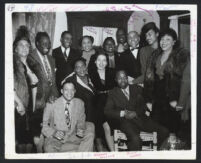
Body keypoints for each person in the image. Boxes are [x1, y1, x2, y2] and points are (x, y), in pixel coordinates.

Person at [104, 70, 169, 151]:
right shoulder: (112, 93)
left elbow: (144, 105)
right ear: (116, 80)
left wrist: (136, 113)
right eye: (119, 78)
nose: (122, 80)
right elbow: (107, 111)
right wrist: (123, 113)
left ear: (127, 78)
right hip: (125, 122)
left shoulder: (137, 88)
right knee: (136, 140)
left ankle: (154, 155)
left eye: (124, 77)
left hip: (142, 119)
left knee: (164, 132)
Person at [144, 28, 190, 135]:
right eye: (162, 39)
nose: (163, 42)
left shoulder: (181, 57)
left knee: (172, 132)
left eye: (168, 39)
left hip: (172, 100)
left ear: (174, 41)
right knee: (157, 132)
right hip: (156, 100)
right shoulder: (154, 55)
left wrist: (180, 103)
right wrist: (148, 100)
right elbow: (149, 80)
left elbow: (186, 81)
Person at [27, 32, 59, 152]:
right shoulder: (30, 58)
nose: (47, 45)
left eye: (49, 43)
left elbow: (52, 82)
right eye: (44, 43)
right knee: (37, 134)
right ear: (37, 43)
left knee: (48, 130)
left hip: (50, 101)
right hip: (37, 102)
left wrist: (55, 97)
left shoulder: (51, 59)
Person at [42, 81, 95, 152]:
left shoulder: (79, 103)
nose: (69, 93)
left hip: (73, 135)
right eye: (66, 90)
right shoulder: (51, 104)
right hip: (57, 138)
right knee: (48, 147)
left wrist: (80, 128)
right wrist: (54, 133)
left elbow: (81, 120)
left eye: (72, 90)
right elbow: (44, 126)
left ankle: (83, 157)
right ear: (62, 91)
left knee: (90, 127)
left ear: (75, 91)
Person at [13, 26, 38, 153]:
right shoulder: (11, 63)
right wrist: (18, 103)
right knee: (19, 142)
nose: (24, 48)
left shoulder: (29, 64)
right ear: (15, 48)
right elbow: (8, 86)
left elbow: (34, 83)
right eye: (21, 45)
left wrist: (32, 108)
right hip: (18, 108)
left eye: (27, 45)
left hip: (28, 109)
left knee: (28, 141)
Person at [88, 53, 116, 151]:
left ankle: (112, 152)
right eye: (99, 60)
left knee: (109, 127)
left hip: (111, 102)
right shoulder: (90, 73)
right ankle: (111, 152)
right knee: (105, 126)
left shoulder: (112, 72)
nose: (101, 63)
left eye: (104, 60)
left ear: (107, 62)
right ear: (95, 62)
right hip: (97, 103)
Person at [62, 57, 96, 123]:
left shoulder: (90, 76)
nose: (81, 69)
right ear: (74, 70)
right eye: (78, 67)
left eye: (83, 66)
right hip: (82, 117)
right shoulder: (70, 81)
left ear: (86, 66)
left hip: (94, 113)